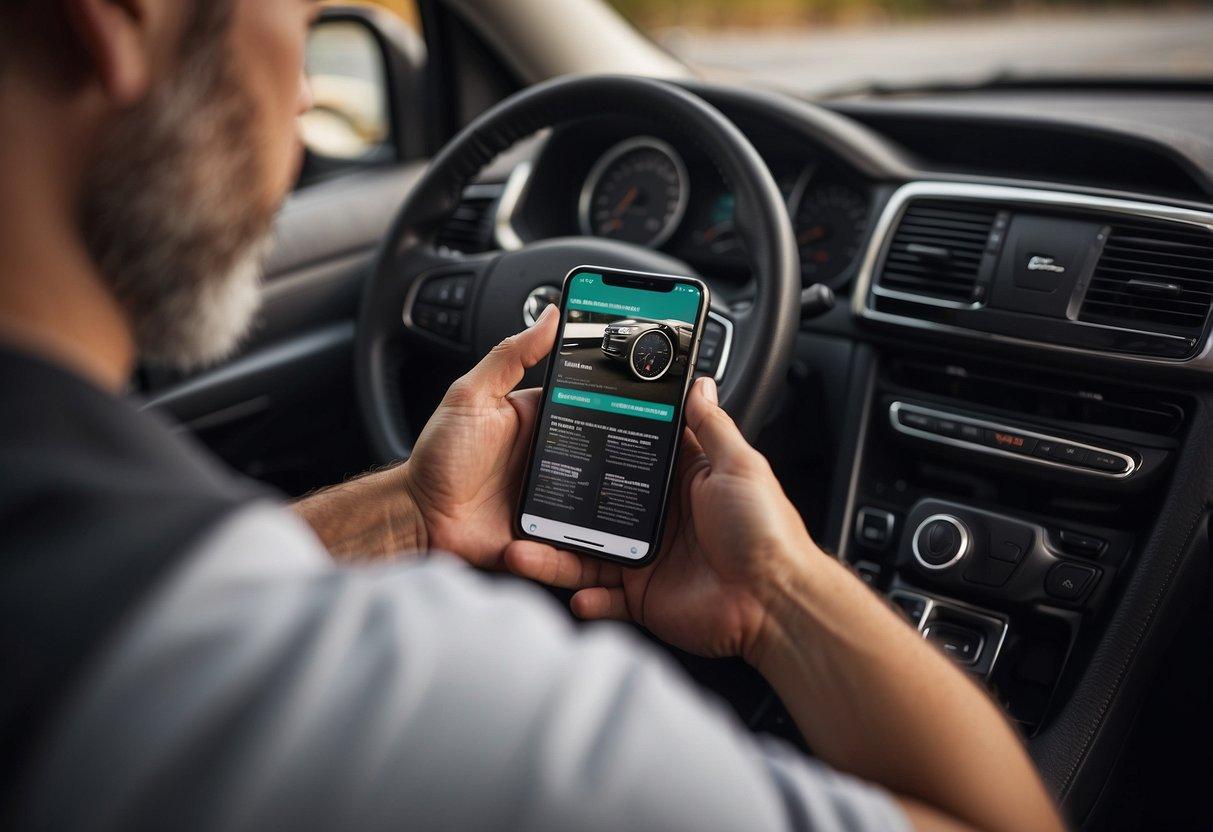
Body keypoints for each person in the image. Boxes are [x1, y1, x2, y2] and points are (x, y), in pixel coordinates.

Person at [0, 1, 1065, 830]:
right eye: (297, 19)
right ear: (122, 17)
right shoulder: (425, 716)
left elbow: (177, 581)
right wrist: (777, 592)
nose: (300, 107)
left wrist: (417, 514)